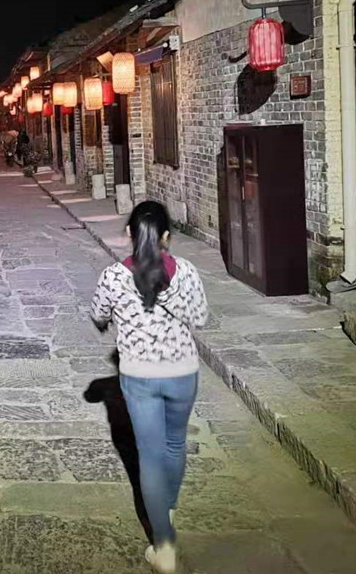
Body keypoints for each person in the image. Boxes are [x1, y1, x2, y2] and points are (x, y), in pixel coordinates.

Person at [89, 201, 208, 574]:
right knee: (174, 445)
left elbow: (98, 314)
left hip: (139, 376)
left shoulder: (113, 276)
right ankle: (167, 506)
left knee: (150, 456)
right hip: (182, 372)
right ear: (167, 237)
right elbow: (201, 317)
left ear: (129, 233)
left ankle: (164, 546)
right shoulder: (185, 271)